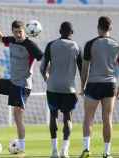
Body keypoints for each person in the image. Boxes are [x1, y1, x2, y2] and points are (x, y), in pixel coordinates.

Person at [0, 16, 43, 154]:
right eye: (15, 32)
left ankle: (22, 147)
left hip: (23, 85)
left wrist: (47, 74)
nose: (18, 34)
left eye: (20, 32)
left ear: (25, 31)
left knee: (17, 116)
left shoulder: (31, 45)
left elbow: (44, 58)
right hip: (12, 82)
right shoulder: (11, 41)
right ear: (12, 32)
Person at [79, 16, 119, 158]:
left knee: (88, 118)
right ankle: (107, 152)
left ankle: (87, 149)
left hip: (93, 84)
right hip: (110, 85)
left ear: (98, 27)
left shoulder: (90, 44)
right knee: (108, 118)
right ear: (110, 28)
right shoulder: (118, 45)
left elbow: (85, 68)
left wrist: (82, 86)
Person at [40, 21, 82, 158]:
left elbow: (42, 67)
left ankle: (54, 151)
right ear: (72, 32)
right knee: (67, 118)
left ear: (59, 31)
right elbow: (82, 70)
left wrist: (47, 79)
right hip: (69, 88)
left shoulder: (51, 45)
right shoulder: (76, 46)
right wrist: (84, 86)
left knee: (53, 116)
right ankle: (65, 151)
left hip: (53, 87)